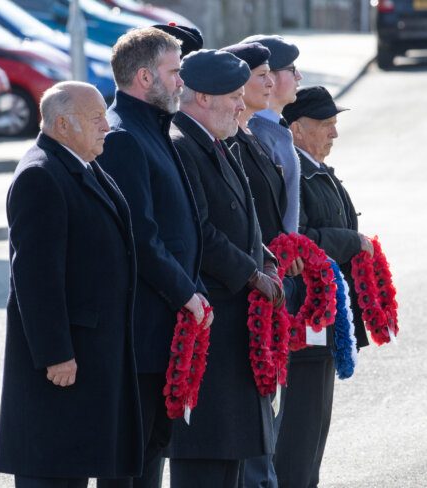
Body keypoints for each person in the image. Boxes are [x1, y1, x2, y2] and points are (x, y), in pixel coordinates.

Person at [0, 81, 143, 488]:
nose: (106, 126)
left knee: (74, 466)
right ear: (62, 123)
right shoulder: (41, 175)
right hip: (63, 364)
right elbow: (35, 278)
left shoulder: (81, 162)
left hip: (92, 355)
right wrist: (55, 353)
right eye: (96, 118)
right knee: (53, 471)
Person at [96, 28, 211, 488]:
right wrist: (187, 294)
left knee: (151, 458)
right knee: (132, 468)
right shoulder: (123, 136)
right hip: (142, 333)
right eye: (174, 71)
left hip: (165, 326)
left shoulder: (154, 126)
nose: (182, 81)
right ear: (145, 77)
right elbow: (139, 236)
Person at [167, 48, 284, 488]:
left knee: (232, 461)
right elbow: (199, 230)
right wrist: (251, 274)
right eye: (234, 95)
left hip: (236, 325)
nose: (242, 104)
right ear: (201, 97)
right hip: (214, 322)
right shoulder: (182, 144)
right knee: (208, 462)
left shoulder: (216, 137)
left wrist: (265, 257)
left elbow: (242, 218)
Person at [273, 86, 372, 488]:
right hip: (306, 319)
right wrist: (352, 242)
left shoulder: (314, 167)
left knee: (313, 432)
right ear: (296, 129)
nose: (334, 133)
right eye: (326, 124)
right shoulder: (296, 171)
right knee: (299, 436)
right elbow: (300, 236)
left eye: (335, 123)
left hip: (325, 319)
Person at [221, 41, 304, 488]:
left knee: (265, 400)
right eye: (260, 75)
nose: (270, 82)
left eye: (274, 73)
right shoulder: (237, 139)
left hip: (273, 274)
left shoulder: (255, 135)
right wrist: (267, 264)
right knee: (253, 407)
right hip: (253, 283)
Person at [241, 34, 303, 236]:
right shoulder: (257, 131)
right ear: (270, 76)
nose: (299, 76)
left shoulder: (273, 125)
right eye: (292, 70)